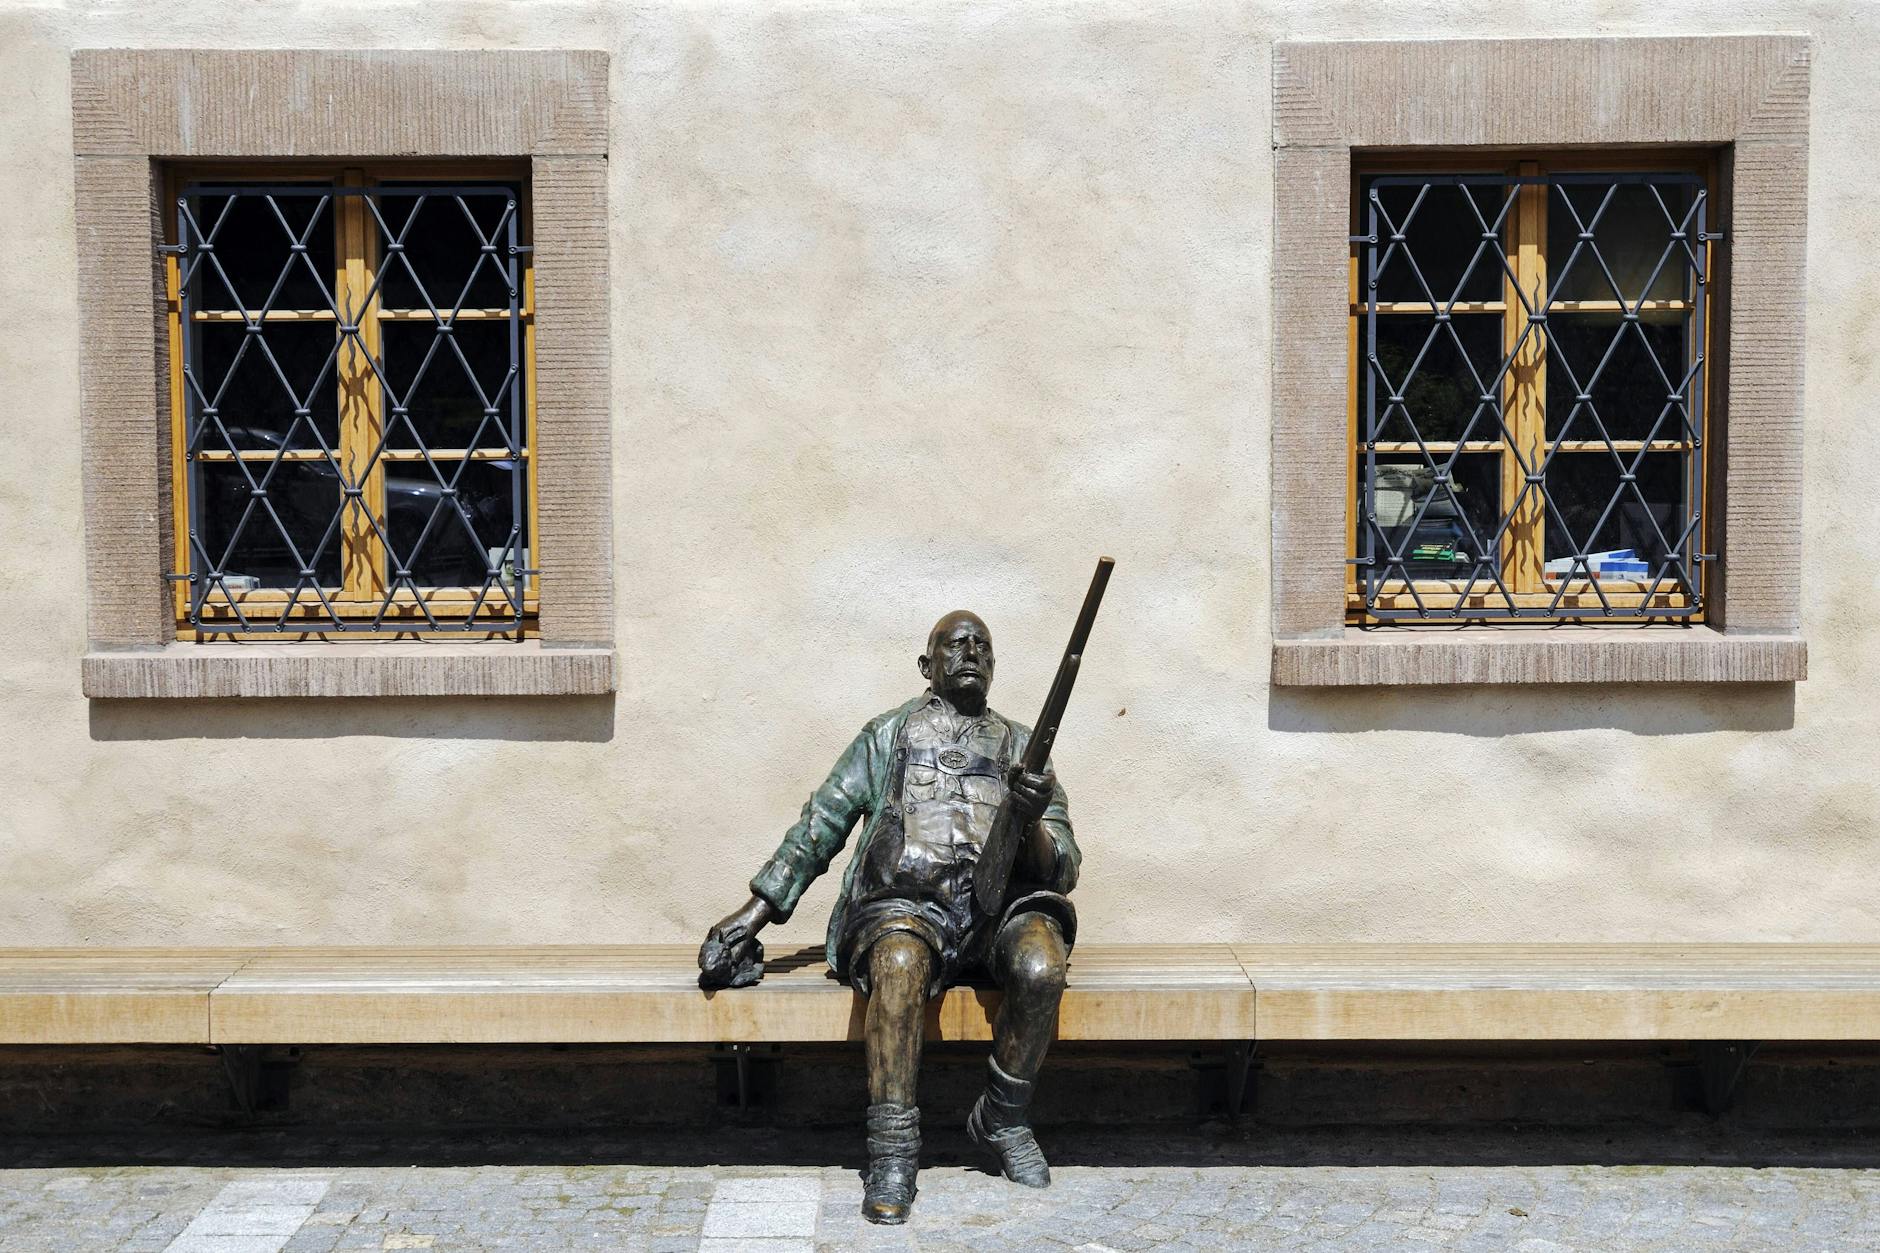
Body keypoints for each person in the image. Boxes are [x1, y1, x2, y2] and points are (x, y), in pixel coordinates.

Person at [699, 610, 1080, 1224]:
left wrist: (1031, 814)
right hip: (907, 907)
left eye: (982, 646)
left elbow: (1062, 866)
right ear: (927, 665)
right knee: (898, 965)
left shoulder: (1022, 747)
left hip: (1003, 910)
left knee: (1041, 966)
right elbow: (822, 823)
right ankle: (893, 1150)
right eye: (955, 645)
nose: (970, 654)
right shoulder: (887, 736)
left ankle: (1003, 1118)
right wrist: (753, 916)